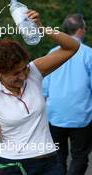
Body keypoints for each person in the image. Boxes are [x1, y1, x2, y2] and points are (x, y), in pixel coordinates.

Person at [0, 10, 80, 175]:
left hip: (49, 162)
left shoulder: (34, 71)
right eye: (15, 73)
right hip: (12, 165)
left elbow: (72, 47)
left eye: (24, 68)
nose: (23, 75)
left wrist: (42, 28)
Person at [42, 14, 92, 175]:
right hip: (82, 115)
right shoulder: (88, 54)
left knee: (58, 156)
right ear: (80, 30)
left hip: (55, 114)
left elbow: (44, 88)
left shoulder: (51, 53)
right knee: (80, 156)